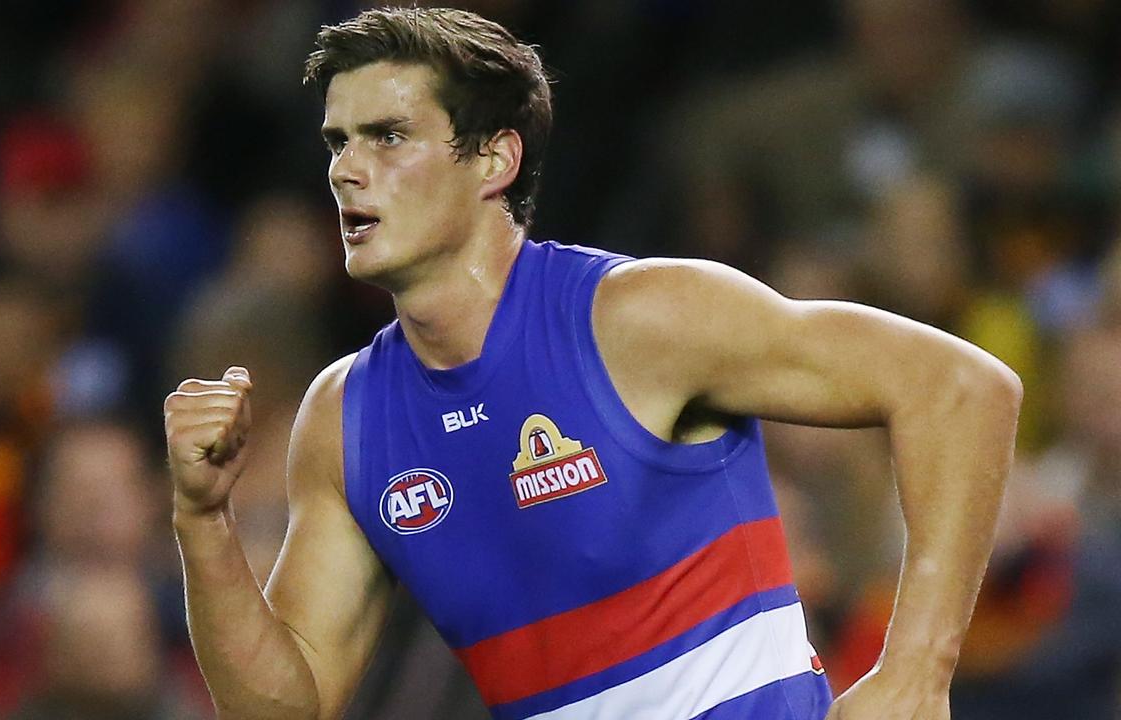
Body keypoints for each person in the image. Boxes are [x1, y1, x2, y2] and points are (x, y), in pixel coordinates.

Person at [162, 7, 1022, 720]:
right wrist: (204, 521)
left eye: (388, 136)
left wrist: (917, 669)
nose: (348, 169)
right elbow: (289, 708)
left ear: (494, 159)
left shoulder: (639, 317)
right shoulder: (344, 415)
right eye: (338, 142)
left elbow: (960, 388)